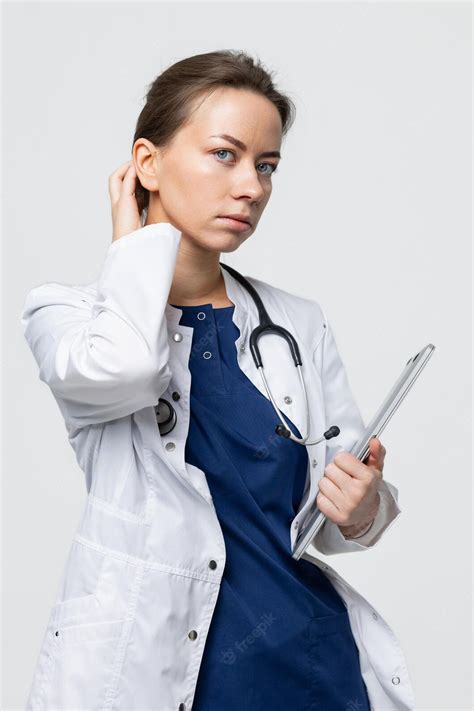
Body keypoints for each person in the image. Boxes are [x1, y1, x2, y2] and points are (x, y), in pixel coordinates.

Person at [22, 50, 415, 710]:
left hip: (310, 668)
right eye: (225, 155)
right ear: (146, 162)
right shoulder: (69, 317)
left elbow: (337, 523)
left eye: (267, 166)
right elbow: (125, 368)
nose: (252, 187)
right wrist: (133, 245)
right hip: (159, 676)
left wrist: (364, 503)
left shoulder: (296, 322)